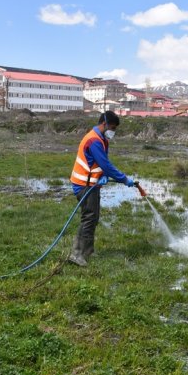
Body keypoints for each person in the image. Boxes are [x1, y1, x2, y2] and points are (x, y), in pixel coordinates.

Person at [68, 111, 135, 266]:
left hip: (92, 183)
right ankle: (77, 254)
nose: (113, 132)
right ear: (104, 124)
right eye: (112, 128)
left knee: (93, 218)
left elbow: (101, 163)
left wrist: (102, 175)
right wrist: (124, 179)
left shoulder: (101, 139)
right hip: (84, 184)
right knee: (89, 218)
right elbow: (106, 164)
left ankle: (88, 251)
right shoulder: (94, 140)